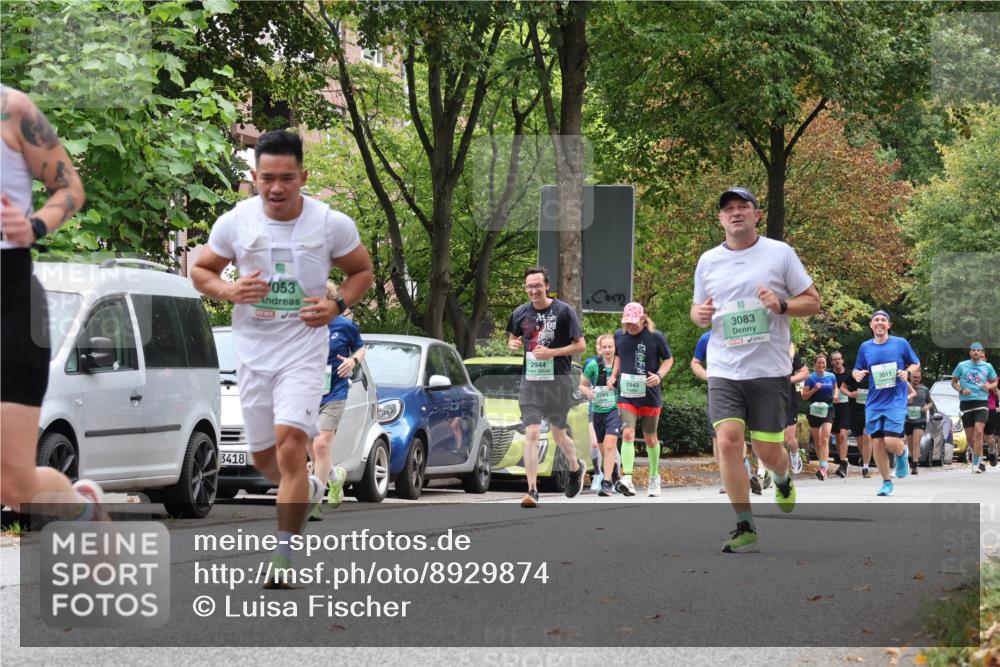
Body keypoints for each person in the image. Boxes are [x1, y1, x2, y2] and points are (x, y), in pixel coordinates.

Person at [191, 130, 373, 586]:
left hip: (303, 350)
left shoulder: (331, 223)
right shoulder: (236, 221)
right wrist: (229, 289)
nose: (275, 188)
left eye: (286, 178)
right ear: (253, 177)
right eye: (266, 178)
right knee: (264, 461)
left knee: (293, 444)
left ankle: (284, 557)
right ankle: (309, 488)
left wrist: (335, 306)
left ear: (303, 177)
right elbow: (200, 269)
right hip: (253, 352)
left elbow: (361, 271)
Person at [691, 186, 820, 553]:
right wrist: (697, 314)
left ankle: (781, 476)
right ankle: (744, 526)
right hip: (725, 369)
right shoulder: (708, 261)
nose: (735, 213)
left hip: (768, 370)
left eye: (742, 207)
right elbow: (698, 309)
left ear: (756, 214)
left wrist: (780, 304)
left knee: (767, 452)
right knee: (728, 441)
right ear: (720, 219)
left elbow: (812, 302)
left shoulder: (780, 254)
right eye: (728, 209)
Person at [0, 85, 107, 520]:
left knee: (15, 488)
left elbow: (70, 189)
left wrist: (33, 226)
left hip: (9, 304)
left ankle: (83, 510)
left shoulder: (12, 110)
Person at [506, 266, 587, 508]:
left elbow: (580, 346)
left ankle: (575, 467)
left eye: (537, 285)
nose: (533, 290)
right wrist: (513, 343)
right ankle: (532, 490)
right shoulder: (520, 313)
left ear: (547, 286)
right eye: (529, 286)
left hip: (558, 381)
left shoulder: (564, 311)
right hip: (530, 382)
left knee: (558, 434)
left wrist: (552, 352)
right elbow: (513, 337)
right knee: (531, 432)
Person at [307, 296, 365, 520]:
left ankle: (314, 502)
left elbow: (360, 349)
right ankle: (334, 476)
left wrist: (352, 361)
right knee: (311, 448)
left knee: (321, 444)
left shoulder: (344, 325)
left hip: (335, 393)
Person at [852, 310, 920, 497]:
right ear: (871, 325)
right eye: (876, 320)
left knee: (891, 441)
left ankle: (901, 453)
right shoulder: (865, 347)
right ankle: (886, 482)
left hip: (896, 400)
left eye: (883, 320)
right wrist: (855, 373)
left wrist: (907, 372)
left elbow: (915, 363)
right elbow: (857, 368)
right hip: (874, 402)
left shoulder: (900, 343)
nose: (880, 323)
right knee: (877, 443)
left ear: (889, 325)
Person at [608, 302, 673, 497]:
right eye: (627, 323)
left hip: (650, 394)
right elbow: (618, 357)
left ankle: (654, 477)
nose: (630, 327)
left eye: (634, 323)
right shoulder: (619, 336)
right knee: (627, 433)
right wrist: (613, 376)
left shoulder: (655, 337)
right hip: (627, 392)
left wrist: (659, 376)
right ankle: (627, 478)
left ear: (643, 319)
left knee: (650, 437)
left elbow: (669, 359)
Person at [692, 331, 761, 495]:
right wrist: (708, 375)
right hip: (718, 392)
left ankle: (741, 472)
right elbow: (695, 362)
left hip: (741, 391)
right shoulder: (706, 338)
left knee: (737, 434)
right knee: (717, 438)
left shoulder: (742, 334)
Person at [580, 334, 623, 496]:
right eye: (604, 347)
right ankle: (613, 474)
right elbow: (581, 385)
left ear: (615, 348)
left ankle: (607, 484)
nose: (607, 350)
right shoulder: (592, 365)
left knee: (610, 445)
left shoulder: (621, 364)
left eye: (610, 347)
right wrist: (588, 393)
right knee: (602, 448)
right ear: (600, 348)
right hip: (597, 410)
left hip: (614, 410)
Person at [951, 342, 998, 474]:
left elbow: (995, 381)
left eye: (978, 350)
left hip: (982, 403)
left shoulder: (987, 366)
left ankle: (976, 463)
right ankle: (978, 457)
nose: (976, 352)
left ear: (981, 352)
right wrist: (961, 390)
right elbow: (953, 382)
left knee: (979, 432)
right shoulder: (962, 366)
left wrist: (989, 387)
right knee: (970, 437)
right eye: (973, 350)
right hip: (966, 403)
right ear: (970, 352)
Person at [801, 353, 838, 480]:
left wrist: (835, 395)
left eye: (823, 363)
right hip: (814, 410)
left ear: (826, 364)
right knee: (817, 440)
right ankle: (822, 466)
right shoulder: (810, 378)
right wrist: (814, 390)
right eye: (819, 363)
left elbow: (835, 388)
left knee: (825, 437)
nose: (821, 365)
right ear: (815, 364)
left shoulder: (831, 376)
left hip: (828, 408)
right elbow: (804, 396)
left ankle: (823, 467)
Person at [841, 360, 874, 478]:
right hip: (855, 410)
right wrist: (850, 394)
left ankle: (865, 467)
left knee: (867, 435)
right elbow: (842, 388)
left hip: (870, 410)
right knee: (860, 439)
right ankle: (863, 458)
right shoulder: (854, 373)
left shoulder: (875, 374)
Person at [782, 344, 809, 479]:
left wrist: (786, 380)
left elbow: (804, 372)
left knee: (789, 439)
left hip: (788, 400)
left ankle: (794, 454)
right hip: (769, 400)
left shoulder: (790, 353)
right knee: (773, 438)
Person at [829, 351, 854, 478]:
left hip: (846, 407)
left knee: (843, 435)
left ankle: (843, 463)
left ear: (842, 360)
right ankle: (843, 461)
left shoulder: (849, 374)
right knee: (837, 436)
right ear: (832, 362)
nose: (837, 361)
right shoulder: (829, 375)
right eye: (834, 360)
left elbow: (855, 388)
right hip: (833, 408)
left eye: (839, 359)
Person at [905, 368, 933, 473]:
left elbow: (930, 402)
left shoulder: (924, 390)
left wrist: (927, 407)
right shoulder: (905, 388)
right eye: (914, 377)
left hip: (920, 419)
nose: (916, 379)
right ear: (910, 377)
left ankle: (914, 466)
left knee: (917, 441)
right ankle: (914, 457)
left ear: (920, 378)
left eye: (918, 377)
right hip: (907, 419)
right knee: (910, 444)